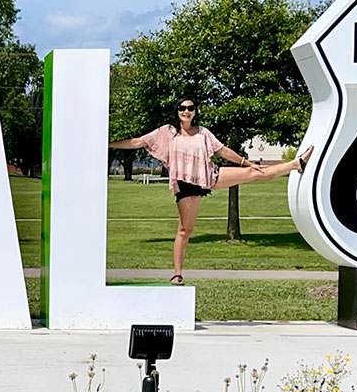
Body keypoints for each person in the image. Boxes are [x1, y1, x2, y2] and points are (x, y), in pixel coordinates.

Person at [110, 98, 312, 284]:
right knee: (185, 230)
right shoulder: (167, 132)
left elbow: (222, 150)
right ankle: (177, 273)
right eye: (182, 108)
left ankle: (296, 164)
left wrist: (246, 162)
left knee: (255, 172)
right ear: (177, 111)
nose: (186, 111)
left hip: (209, 175)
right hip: (186, 185)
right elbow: (138, 142)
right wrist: (109, 144)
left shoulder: (203, 133)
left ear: (195, 111)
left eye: (190, 108)